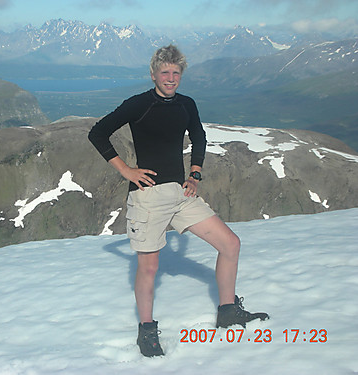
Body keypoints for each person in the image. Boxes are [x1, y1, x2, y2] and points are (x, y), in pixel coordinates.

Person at [88, 44, 268, 357]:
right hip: (148, 197)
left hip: (181, 194)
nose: (170, 78)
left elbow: (198, 136)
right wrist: (127, 171)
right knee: (149, 267)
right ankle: (146, 331)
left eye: (176, 72)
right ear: (154, 74)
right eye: (165, 72)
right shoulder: (139, 104)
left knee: (231, 244)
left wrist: (195, 173)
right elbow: (98, 133)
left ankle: (227, 311)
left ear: (181, 74)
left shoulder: (186, 104)